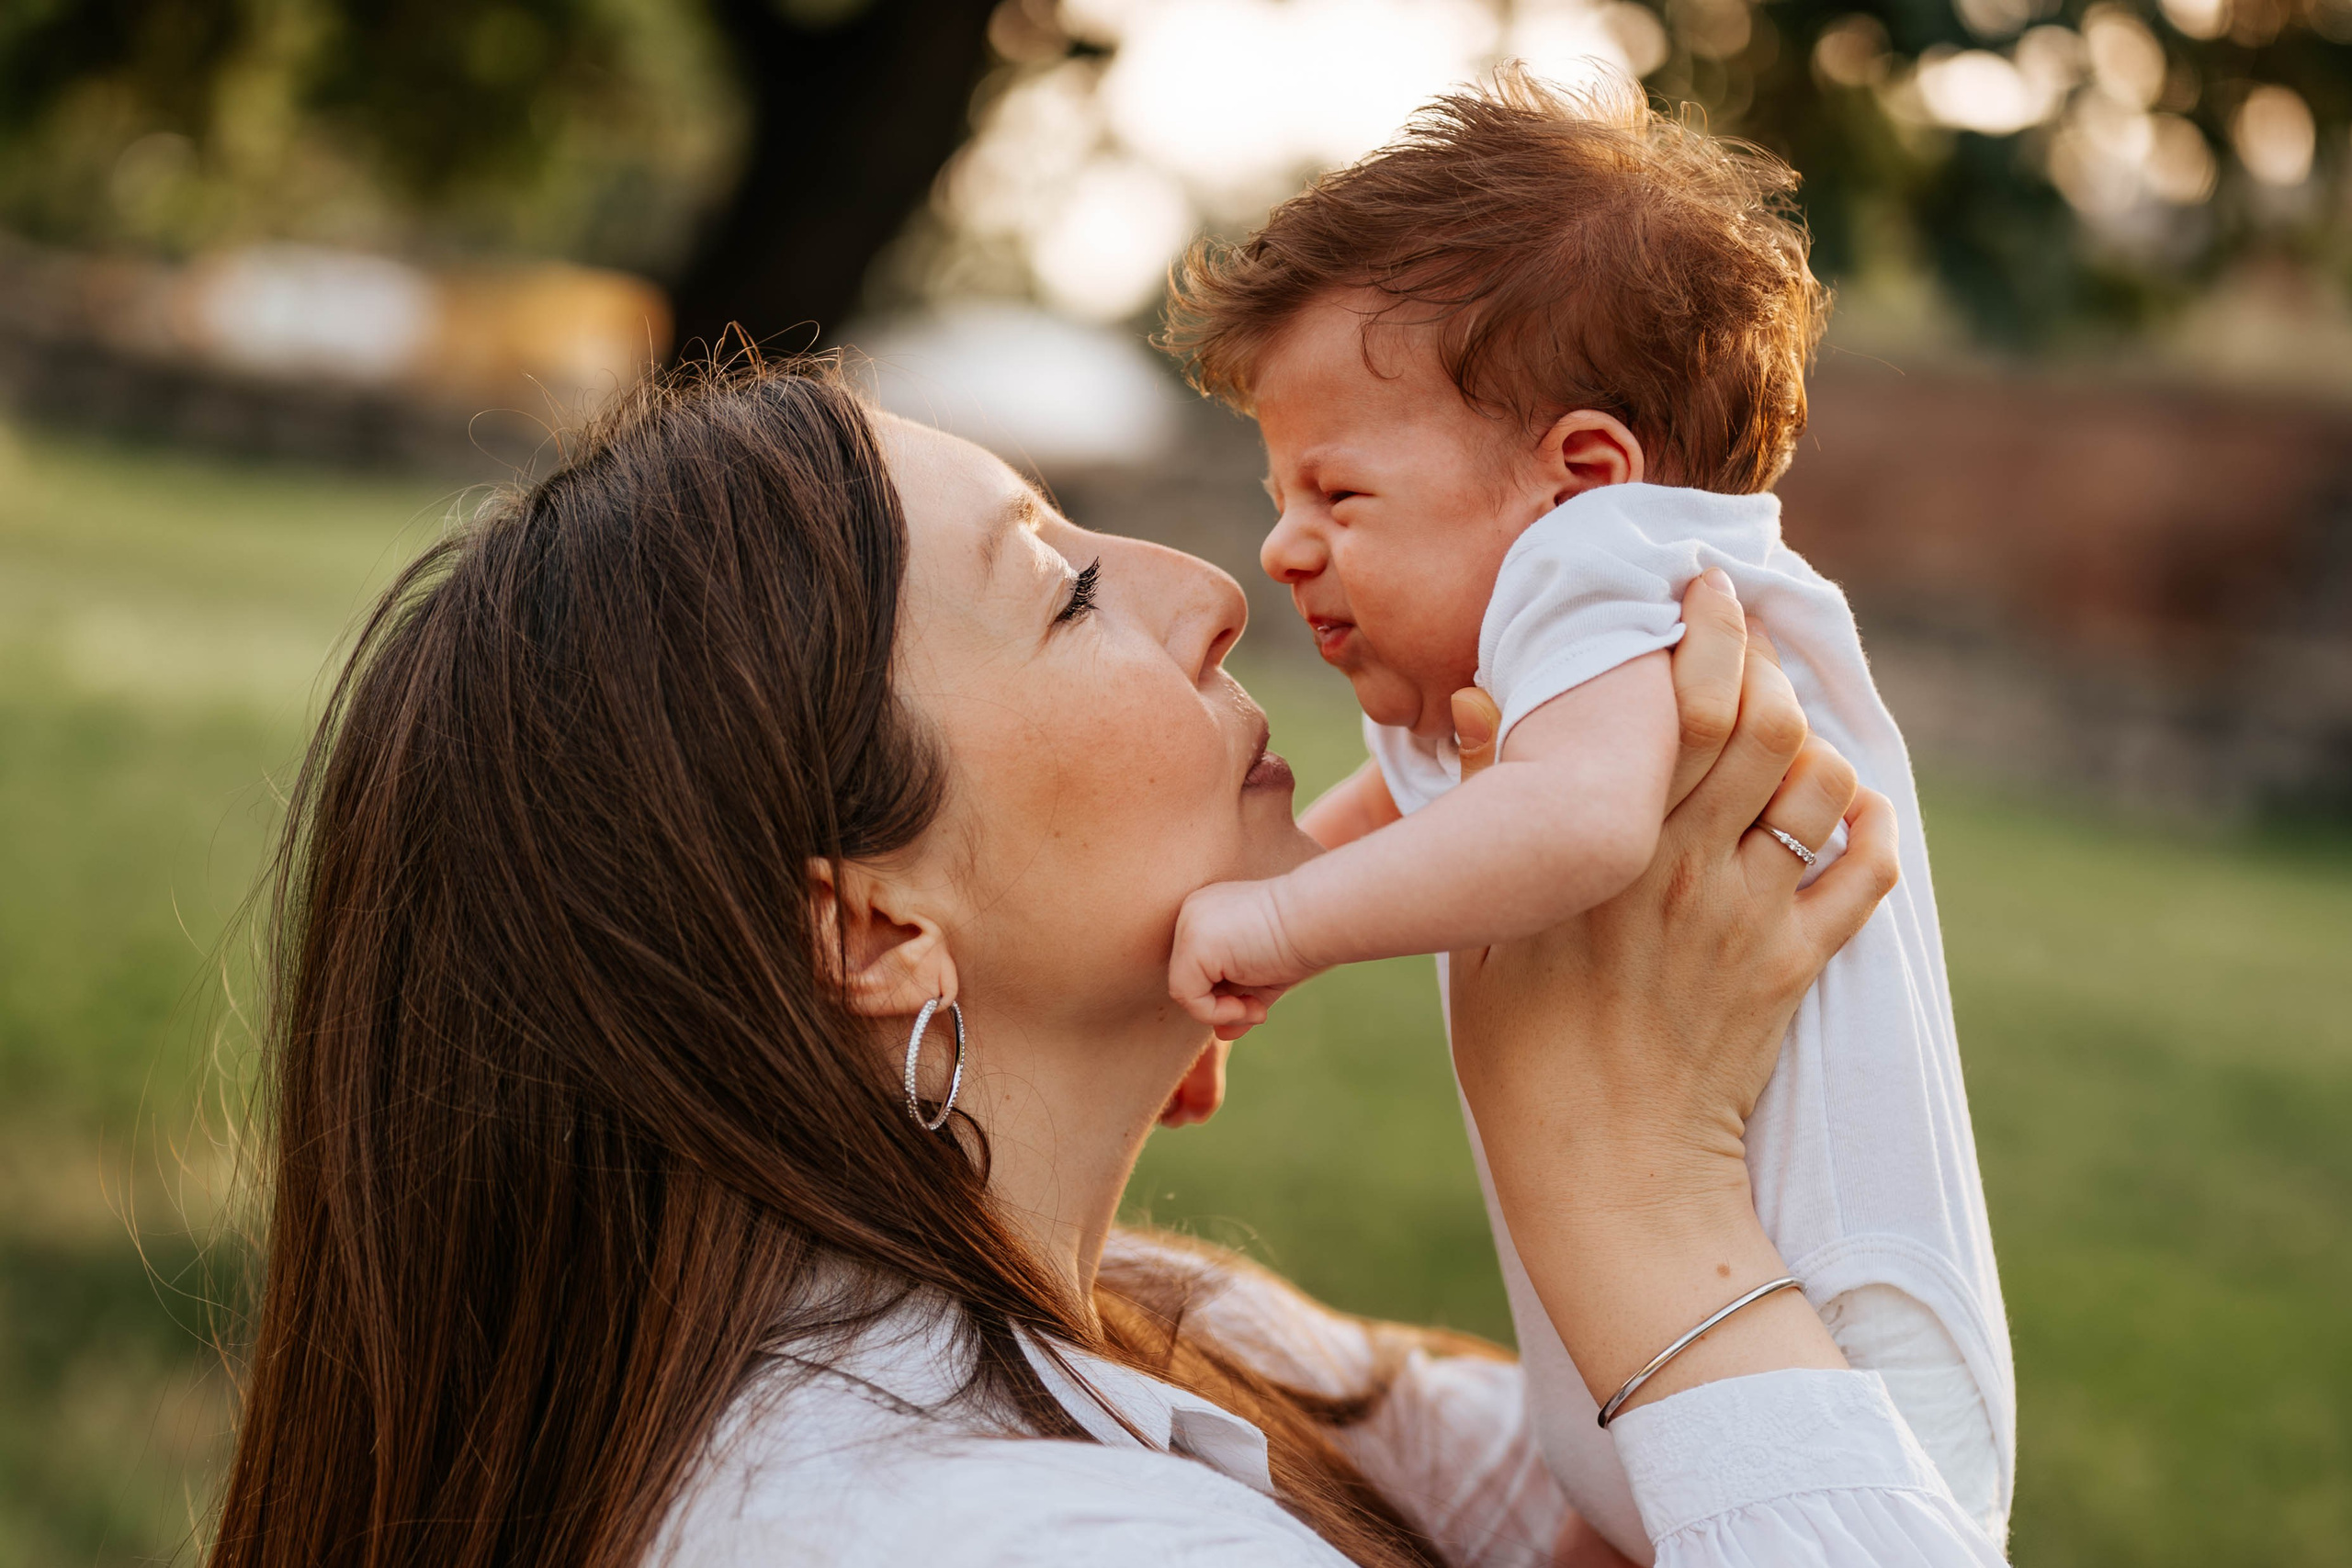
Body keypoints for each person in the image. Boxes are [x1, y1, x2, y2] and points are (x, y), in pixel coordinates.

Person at [205, 360, 2003, 1568]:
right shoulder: (1025, 1537)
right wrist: (1632, 1196)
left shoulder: (1143, 1329)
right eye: (1062, 589)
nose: (1210, 588)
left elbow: (1635, 1502)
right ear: (872, 928)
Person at [1160, 70, 2011, 1551]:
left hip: (1829, 1358)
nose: (1283, 546)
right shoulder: (1529, 656)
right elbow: (1417, 814)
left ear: (1582, 477)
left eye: (1337, 493)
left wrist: (1280, 921)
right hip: (1673, 1349)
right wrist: (1258, 919)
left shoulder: (1612, 571)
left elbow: (1578, 830)